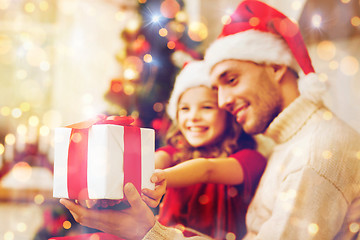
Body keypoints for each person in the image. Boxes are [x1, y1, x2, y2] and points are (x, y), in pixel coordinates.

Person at [60, 0, 360, 239]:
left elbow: (206, 171)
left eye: (231, 79)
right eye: (216, 89)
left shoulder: (315, 152)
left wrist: (147, 232)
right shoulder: (288, 144)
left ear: (275, 68)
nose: (223, 102)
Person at [152, 60, 266, 239]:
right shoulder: (176, 153)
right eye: (185, 109)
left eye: (206, 107)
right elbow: (156, 160)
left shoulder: (250, 158)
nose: (194, 117)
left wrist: (160, 178)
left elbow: (207, 169)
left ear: (229, 114)